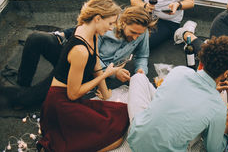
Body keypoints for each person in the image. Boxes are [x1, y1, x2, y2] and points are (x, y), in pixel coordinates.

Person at [1, 6, 155, 108]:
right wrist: (114, 72)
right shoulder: (104, 28)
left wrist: (141, 70)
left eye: (139, 34)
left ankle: (21, 94)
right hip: (81, 58)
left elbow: (142, 55)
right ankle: (23, 82)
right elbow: (93, 56)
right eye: (133, 32)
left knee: (32, 99)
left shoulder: (142, 33)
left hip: (86, 70)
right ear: (123, 23)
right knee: (36, 38)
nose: (136, 37)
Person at [37, 0, 129, 151]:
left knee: (121, 113)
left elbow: (96, 64)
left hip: (69, 98)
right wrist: (106, 75)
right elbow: (73, 94)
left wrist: (106, 95)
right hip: (60, 103)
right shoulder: (80, 50)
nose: (111, 28)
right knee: (114, 136)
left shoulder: (90, 31)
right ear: (98, 18)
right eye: (110, 23)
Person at [126, 36, 228, 152]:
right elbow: (213, 148)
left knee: (138, 77)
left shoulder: (180, 71)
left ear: (202, 62)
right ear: (225, 73)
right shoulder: (217, 106)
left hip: (135, 137)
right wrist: (225, 135)